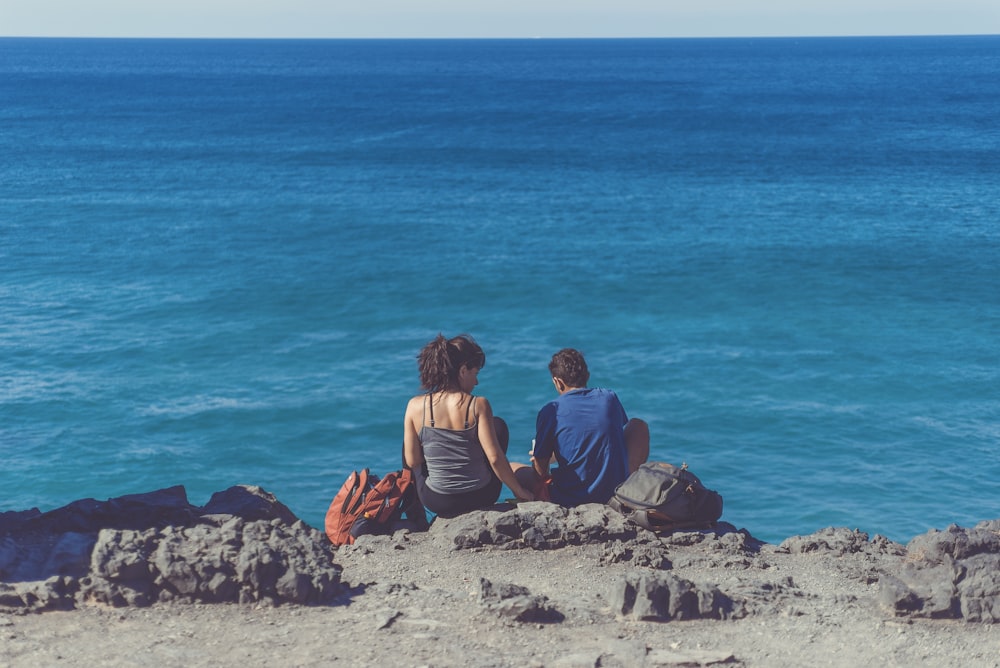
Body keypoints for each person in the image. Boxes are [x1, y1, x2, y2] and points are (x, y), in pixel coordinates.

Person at [403, 334, 535, 517]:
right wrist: (520, 492)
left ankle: (415, 516)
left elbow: (412, 461)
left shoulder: (415, 406)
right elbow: (495, 459)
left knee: (410, 444)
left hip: (437, 500)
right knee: (498, 427)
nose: (476, 382)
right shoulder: (478, 405)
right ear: (463, 370)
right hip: (480, 496)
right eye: (475, 373)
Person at [517, 348, 650, 507]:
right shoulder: (609, 398)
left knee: (514, 469)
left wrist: (541, 460)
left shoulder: (551, 411)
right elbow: (605, 434)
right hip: (614, 493)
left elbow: (540, 472)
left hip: (571, 498)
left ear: (558, 382)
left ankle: (534, 501)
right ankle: (626, 484)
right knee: (638, 425)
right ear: (586, 376)